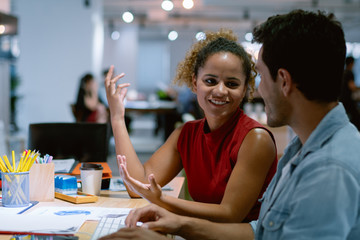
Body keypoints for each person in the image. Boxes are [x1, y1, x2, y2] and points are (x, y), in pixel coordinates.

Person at [100, 9, 360, 240]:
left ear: (283, 81)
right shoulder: (302, 149)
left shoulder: (329, 168)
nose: (261, 89)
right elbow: (260, 232)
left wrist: (169, 211)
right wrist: (179, 225)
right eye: (210, 81)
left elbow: (233, 216)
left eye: (259, 77)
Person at [105, 29, 278, 223]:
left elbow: (230, 214)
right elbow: (138, 185)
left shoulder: (255, 138)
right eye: (210, 81)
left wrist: (162, 201)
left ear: (245, 89)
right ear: (195, 83)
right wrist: (117, 118)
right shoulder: (186, 134)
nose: (220, 91)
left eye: (232, 84)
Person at [339, 56, 360, 130]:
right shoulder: (349, 72)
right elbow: (352, 86)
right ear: (352, 63)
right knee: (356, 117)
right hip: (348, 99)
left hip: (342, 99)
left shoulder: (343, 72)